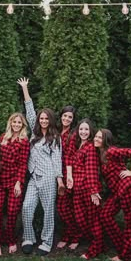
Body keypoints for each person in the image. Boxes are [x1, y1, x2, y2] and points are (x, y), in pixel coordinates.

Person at [17, 77, 64, 256]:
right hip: (33, 177)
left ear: (50, 120)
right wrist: (25, 88)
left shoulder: (55, 138)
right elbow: (30, 111)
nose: (43, 120)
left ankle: (46, 241)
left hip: (48, 178)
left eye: (46, 118)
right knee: (27, 207)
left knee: (48, 212)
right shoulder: (34, 134)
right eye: (41, 118)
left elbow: (57, 159)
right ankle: (28, 238)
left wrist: (59, 181)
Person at [94, 129, 131, 261]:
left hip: (129, 187)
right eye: (96, 137)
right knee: (105, 215)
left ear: (106, 140)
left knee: (130, 223)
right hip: (118, 191)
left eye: (99, 137)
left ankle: (125, 256)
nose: (96, 139)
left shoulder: (111, 151)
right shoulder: (101, 153)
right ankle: (123, 248)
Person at [0, 113, 30, 256]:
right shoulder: (2, 138)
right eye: (14, 122)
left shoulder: (24, 141)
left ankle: (11, 240)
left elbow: (23, 164)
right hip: (0, 180)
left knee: (12, 212)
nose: (16, 124)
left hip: (15, 181)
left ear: (22, 125)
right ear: (10, 123)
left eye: (19, 123)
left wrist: (18, 183)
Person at [66, 118, 103, 259]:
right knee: (81, 219)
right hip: (77, 189)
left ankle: (95, 249)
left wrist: (93, 191)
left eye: (86, 129)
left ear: (91, 131)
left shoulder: (91, 147)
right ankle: (98, 244)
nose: (83, 132)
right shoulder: (78, 145)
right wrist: (69, 176)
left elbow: (92, 170)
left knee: (94, 221)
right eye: (81, 129)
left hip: (88, 190)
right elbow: (69, 157)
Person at [56, 106, 80, 250]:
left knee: (66, 207)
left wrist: (68, 176)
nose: (66, 119)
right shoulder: (58, 131)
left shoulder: (73, 134)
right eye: (65, 116)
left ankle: (74, 237)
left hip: (68, 173)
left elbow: (69, 156)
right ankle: (67, 235)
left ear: (73, 119)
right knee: (63, 208)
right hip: (57, 172)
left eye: (70, 117)